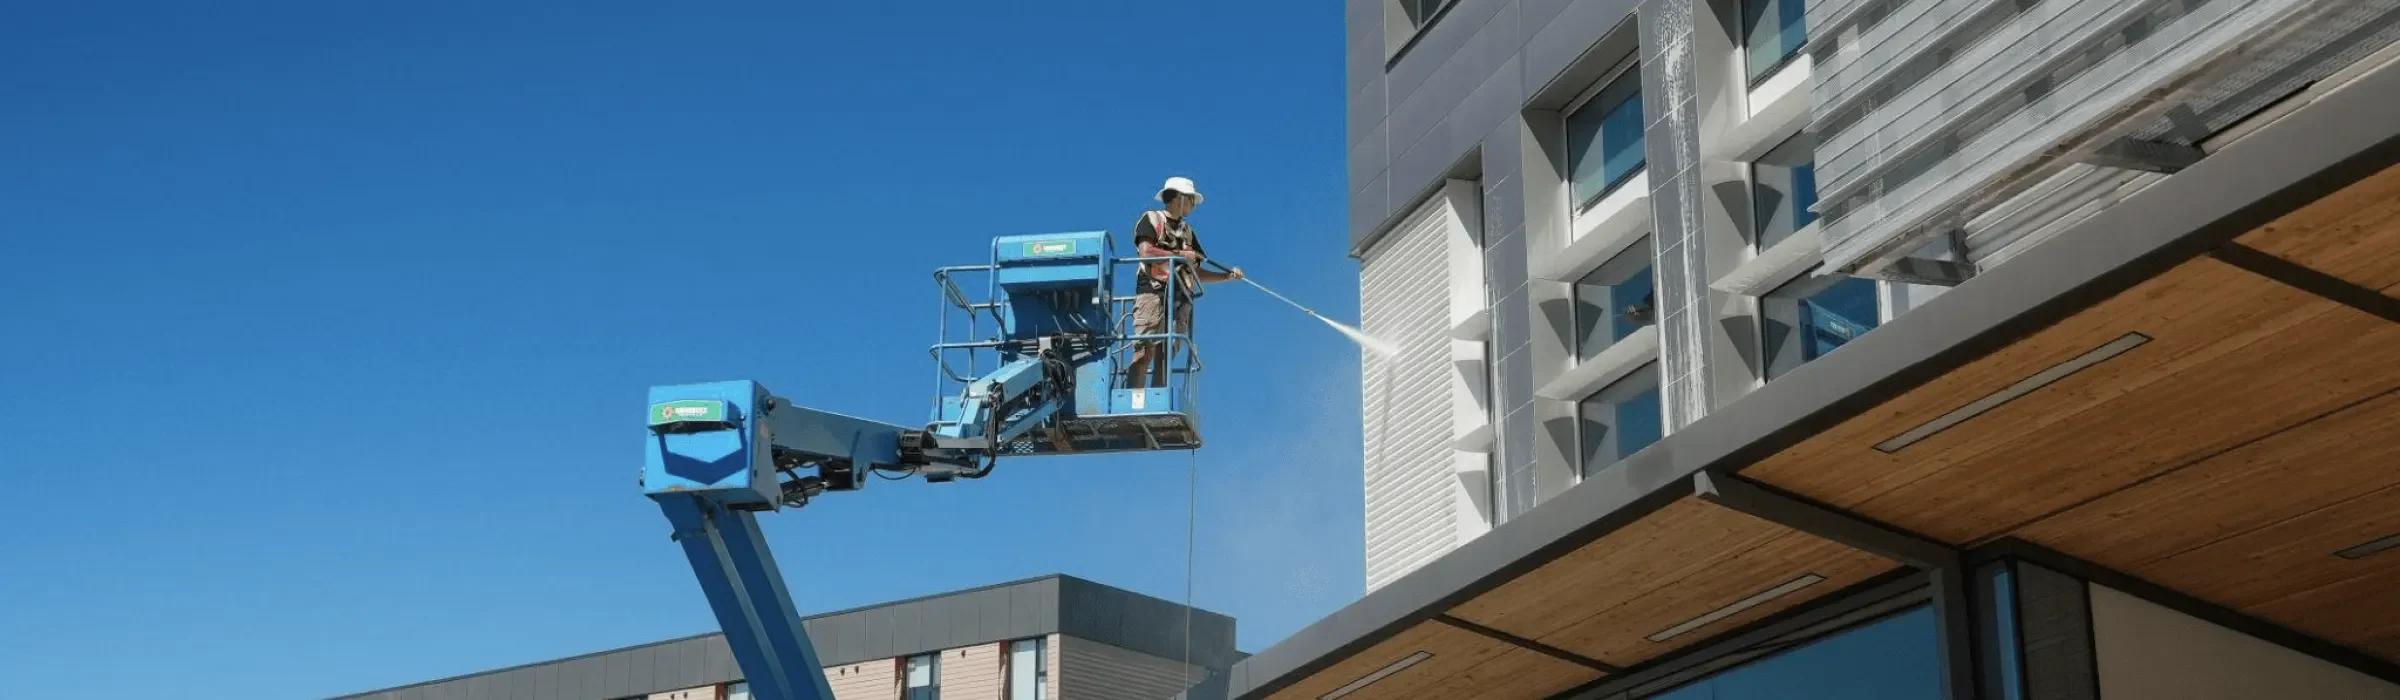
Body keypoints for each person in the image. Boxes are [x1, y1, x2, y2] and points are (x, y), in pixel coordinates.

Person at [1127, 176, 1243, 389]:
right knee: (1144, 351)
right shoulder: (1152, 219)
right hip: (1153, 292)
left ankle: (1157, 403)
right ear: (1179, 198)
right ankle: (1132, 400)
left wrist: (1226, 276)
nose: (1192, 205)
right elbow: (1146, 252)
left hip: (1179, 297)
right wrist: (1180, 254)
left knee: (1166, 354)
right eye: (1190, 199)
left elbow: (1195, 269)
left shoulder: (1188, 233)